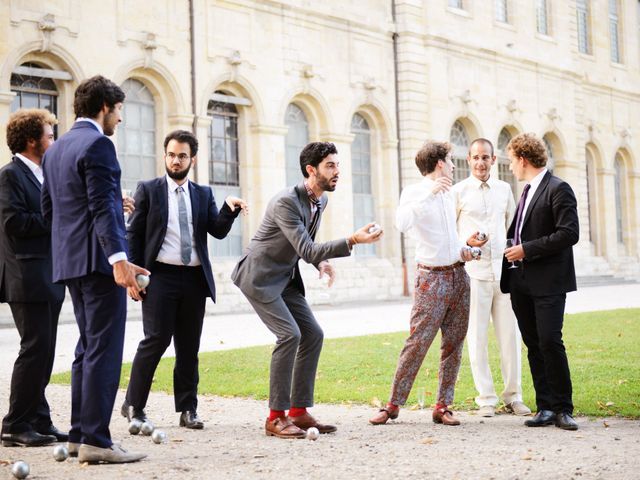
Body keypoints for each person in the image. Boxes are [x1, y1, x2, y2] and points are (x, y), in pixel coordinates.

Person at [231, 141, 382, 439]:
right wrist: (352, 240)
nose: (337, 171)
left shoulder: (320, 200)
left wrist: (321, 263)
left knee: (313, 334)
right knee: (290, 335)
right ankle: (275, 417)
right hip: (259, 276)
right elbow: (306, 246)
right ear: (311, 170)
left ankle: (298, 412)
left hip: (285, 278)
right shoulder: (286, 201)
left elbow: (307, 246)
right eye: (330, 166)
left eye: (337, 165)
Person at [41, 75, 149, 463]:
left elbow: (51, 212)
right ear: (105, 107)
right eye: (119, 111)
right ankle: (97, 442)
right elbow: (102, 208)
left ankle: (77, 435)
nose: (119, 120)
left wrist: (97, 246)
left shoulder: (55, 150)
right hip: (99, 265)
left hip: (69, 261)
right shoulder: (99, 145)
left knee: (86, 347)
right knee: (103, 349)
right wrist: (117, 260)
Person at [122, 130, 247, 430]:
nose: (175, 161)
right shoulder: (149, 190)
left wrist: (229, 210)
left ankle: (188, 409)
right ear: (164, 155)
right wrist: (133, 275)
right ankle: (133, 405)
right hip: (159, 277)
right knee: (156, 341)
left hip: (193, 278)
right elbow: (133, 234)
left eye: (181, 156)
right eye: (171, 155)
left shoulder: (202, 194)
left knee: (189, 348)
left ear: (192, 158)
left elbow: (216, 230)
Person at [369, 140, 482, 427]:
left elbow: (449, 239)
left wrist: (466, 249)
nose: (456, 165)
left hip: (459, 276)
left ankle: (443, 406)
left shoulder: (449, 195)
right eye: (451, 160)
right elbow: (402, 223)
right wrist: (430, 194)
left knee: (454, 345)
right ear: (440, 163)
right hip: (430, 280)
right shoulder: (416, 192)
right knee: (417, 343)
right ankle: (393, 405)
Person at [502, 132, 579, 430]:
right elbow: (523, 231)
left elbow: (569, 233)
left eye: (511, 161)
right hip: (520, 280)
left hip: (549, 282)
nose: (510, 167)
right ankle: (545, 406)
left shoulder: (559, 188)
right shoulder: (526, 191)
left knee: (550, 341)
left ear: (522, 159)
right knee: (533, 344)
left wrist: (526, 249)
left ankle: (563, 408)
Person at [0, 109, 67, 447]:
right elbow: (15, 223)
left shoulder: (42, 175)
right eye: (49, 136)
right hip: (27, 277)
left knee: (46, 351)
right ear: (31, 141)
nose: (53, 141)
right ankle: (14, 424)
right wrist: (57, 218)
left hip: (49, 276)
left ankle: (39, 418)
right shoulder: (9, 175)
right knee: (34, 349)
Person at [451, 138, 531, 418]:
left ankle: (514, 396)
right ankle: (486, 398)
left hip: (504, 273)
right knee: (477, 337)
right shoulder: (458, 191)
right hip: (474, 274)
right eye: (475, 158)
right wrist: (467, 242)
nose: (480, 162)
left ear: (494, 160)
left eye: (485, 157)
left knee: (510, 336)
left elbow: (511, 227)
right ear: (469, 160)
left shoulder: (504, 189)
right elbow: (450, 235)